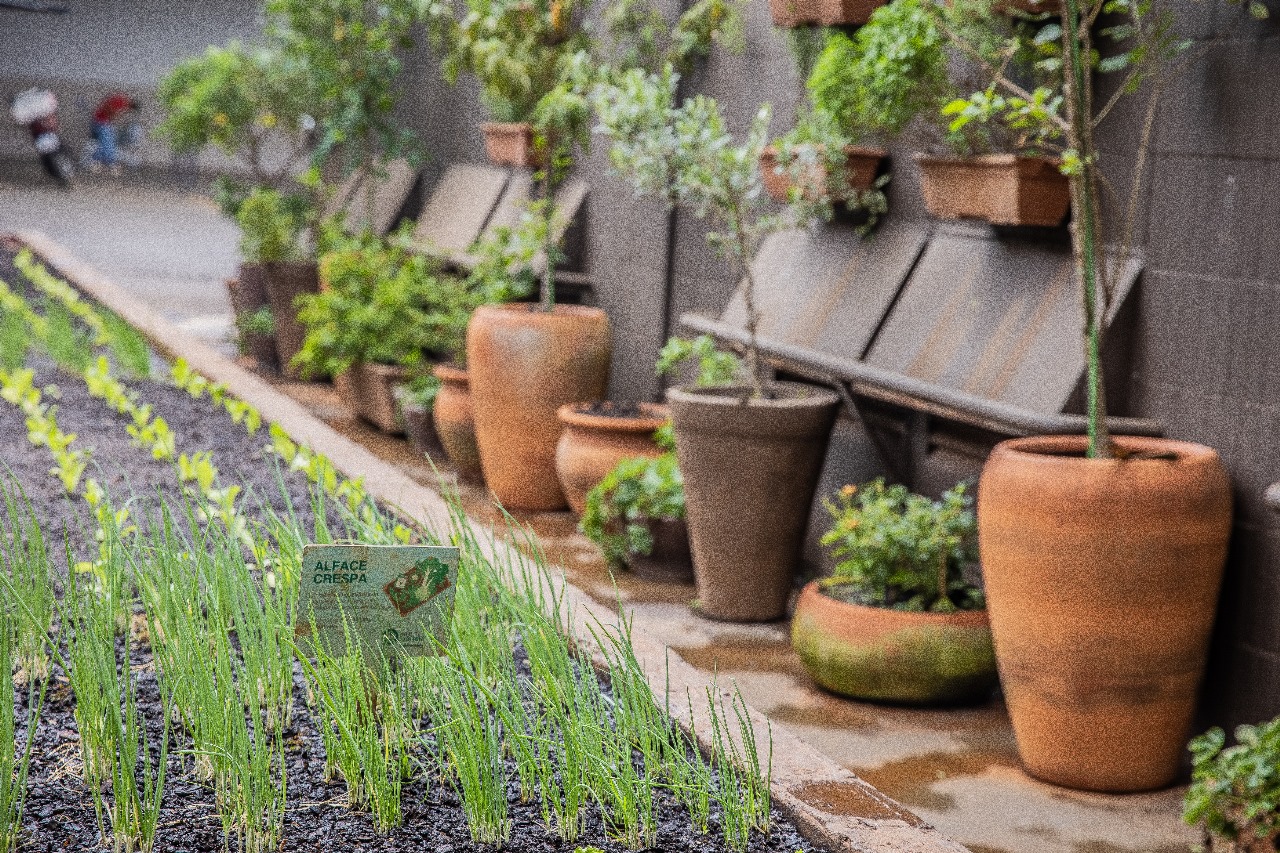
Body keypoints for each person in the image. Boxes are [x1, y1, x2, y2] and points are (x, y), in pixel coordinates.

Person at [90, 92, 138, 173]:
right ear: (132, 106)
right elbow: (109, 108)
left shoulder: (122, 100)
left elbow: (108, 106)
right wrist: (112, 118)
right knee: (107, 143)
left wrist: (111, 121)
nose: (128, 111)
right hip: (102, 122)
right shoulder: (123, 103)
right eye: (131, 110)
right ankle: (110, 163)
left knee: (102, 143)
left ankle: (97, 162)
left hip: (100, 122)